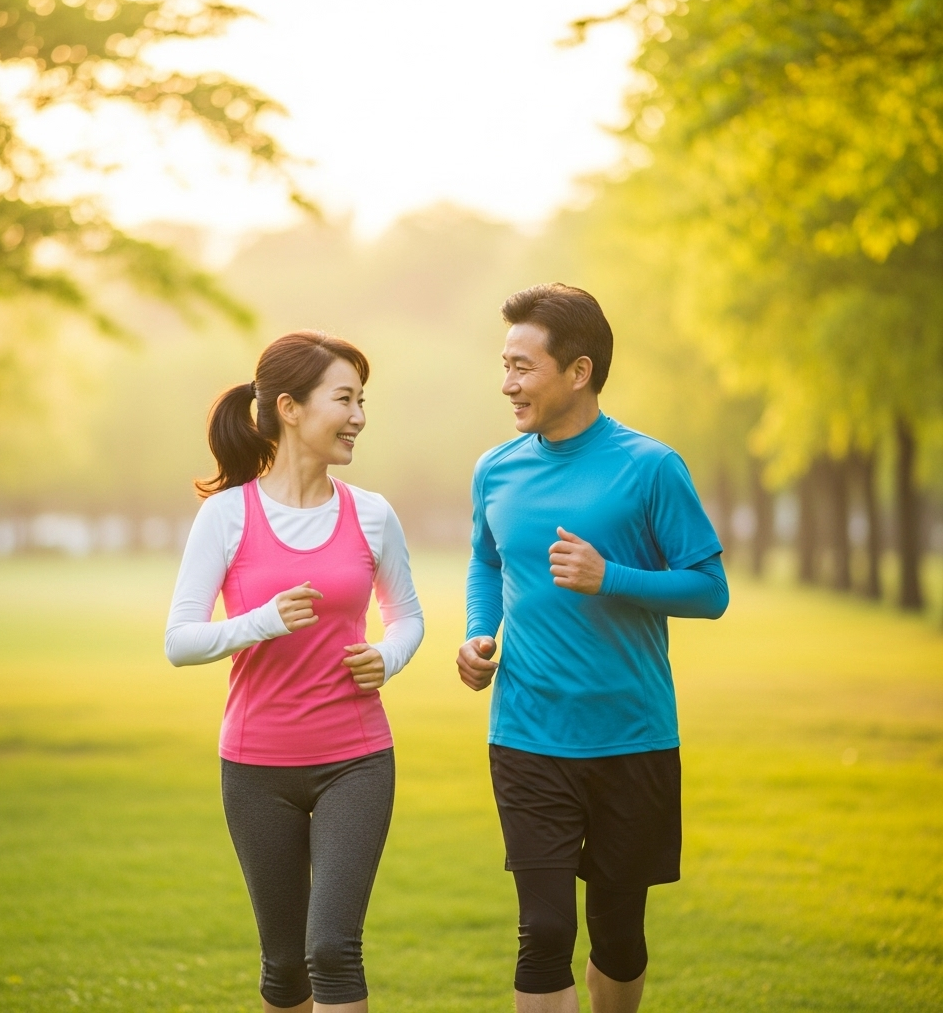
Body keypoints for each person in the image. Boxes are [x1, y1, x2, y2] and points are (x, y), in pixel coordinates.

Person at [456, 284, 728, 1013]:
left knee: (618, 934)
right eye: (505, 364)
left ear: (578, 372)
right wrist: (480, 635)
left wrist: (611, 578)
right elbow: (489, 561)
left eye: (523, 366)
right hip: (528, 735)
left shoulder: (650, 466)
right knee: (544, 930)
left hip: (630, 736)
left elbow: (709, 589)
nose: (507, 382)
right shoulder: (496, 468)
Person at [166, 330, 423, 1013]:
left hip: (356, 760)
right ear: (289, 407)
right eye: (345, 399)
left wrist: (387, 658)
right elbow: (180, 641)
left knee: (333, 948)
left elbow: (408, 617)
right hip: (255, 769)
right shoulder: (225, 516)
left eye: (363, 400)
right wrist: (263, 622)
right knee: (284, 966)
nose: (360, 416)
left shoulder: (372, 514)